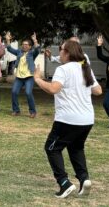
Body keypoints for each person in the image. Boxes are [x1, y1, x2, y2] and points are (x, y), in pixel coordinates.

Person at [33, 40, 101, 199]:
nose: (60, 52)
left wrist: (37, 78)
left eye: (61, 49)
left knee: (51, 148)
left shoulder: (63, 69)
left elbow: (53, 89)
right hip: (86, 119)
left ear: (67, 53)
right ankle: (84, 179)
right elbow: (98, 90)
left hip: (68, 119)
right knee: (76, 148)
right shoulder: (85, 68)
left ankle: (64, 183)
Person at [5, 32, 40, 118]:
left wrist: (35, 41)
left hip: (29, 77)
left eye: (26, 44)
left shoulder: (32, 53)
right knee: (14, 92)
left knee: (28, 93)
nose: (24, 46)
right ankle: (16, 110)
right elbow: (9, 49)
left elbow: (37, 50)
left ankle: (33, 111)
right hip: (19, 77)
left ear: (29, 46)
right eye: (23, 44)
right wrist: (8, 40)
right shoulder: (19, 52)